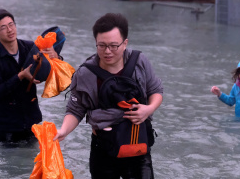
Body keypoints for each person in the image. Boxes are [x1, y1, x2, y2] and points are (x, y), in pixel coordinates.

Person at [54, 13, 163, 178]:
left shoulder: (139, 62)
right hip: (102, 149)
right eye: (101, 45)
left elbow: (156, 90)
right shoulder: (85, 73)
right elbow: (76, 109)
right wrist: (63, 130)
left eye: (113, 45)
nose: (107, 51)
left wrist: (148, 109)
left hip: (137, 146)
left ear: (125, 43)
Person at [0, 9, 60, 143]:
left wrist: (55, 57)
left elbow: (49, 71)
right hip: (6, 125)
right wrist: (20, 76)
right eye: (3, 27)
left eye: (11, 25)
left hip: (32, 120)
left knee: (31, 161)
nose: (10, 30)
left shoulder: (30, 48)